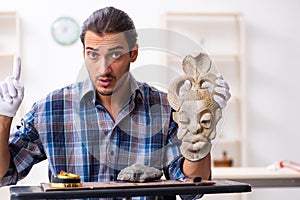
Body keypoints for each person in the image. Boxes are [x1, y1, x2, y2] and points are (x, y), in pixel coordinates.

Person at [0, 6, 230, 199]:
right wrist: (3, 117)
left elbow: (192, 185)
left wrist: (201, 124)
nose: (104, 69)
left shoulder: (166, 108)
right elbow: (4, 174)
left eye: (116, 54)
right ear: (84, 53)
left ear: (134, 54)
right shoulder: (50, 109)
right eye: (93, 54)